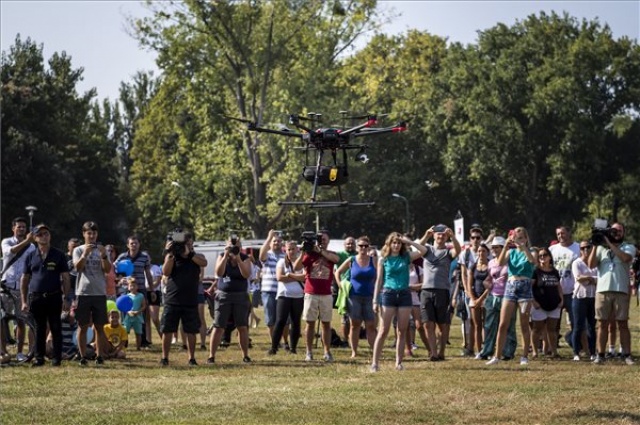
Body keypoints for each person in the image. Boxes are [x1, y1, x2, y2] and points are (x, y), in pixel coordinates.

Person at [370, 232, 427, 372]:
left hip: (404, 295)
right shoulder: (383, 259)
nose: (396, 245)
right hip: (388, 294)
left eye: (398, 243)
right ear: (389, 244)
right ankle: (375, 363)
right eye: (394, 242)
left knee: (402, 330)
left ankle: (399, 362)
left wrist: (409, 241)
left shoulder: (406, 257)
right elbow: (379, 280)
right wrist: (375, 300)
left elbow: (423, 251)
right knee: (383, 330)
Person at [19, 224, 71, 366]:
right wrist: (24, 301)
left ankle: (56, 358)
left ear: (50, 236)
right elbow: (24, 279)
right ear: (35, 238)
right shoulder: (30, 256)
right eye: (40, 234)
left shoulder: (58, 254)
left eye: (46, 233)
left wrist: (67, 297)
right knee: (39, 329)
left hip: (54, 296)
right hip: (36, 297)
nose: (44, 236)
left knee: (56, 327)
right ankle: (39, 358)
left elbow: (65, 277)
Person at [486, 227, 537, 366]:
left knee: (524, 324)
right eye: (516, 238)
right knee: (503, 324)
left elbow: (533, 261)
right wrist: (506, 246)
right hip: (510, 286)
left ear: (526, 239)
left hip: (525, 287)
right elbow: (499, 263)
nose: (518, 240)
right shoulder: (510, 252)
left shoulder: (531, 251)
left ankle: (524, 356)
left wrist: (524, 247)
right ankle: (496, 356)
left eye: (521, 238)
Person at [587, 222, 636, 365]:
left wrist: (608, 241)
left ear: (624, 233)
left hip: (621, 290)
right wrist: (596, 244)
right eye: (614, 230)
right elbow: (591, 265)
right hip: (602, 290)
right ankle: (600, 354)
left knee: (622, 323)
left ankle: (626, 354)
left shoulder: (628, 247)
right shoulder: (601, 248)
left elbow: (625, 258)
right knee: (602, 324)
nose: (617, 233)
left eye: (620, 230)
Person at [160, 231, 207, 366]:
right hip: (173, 299)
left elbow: (204, 263)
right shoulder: (173, 256)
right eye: (185, 243)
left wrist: (189, 254)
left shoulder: (197, 256)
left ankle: (191, 358)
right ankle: (164, 358)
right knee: (168, 329)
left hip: (190, 300)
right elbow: (165, 272)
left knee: (191, 331)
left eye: (189, 243)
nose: (187, 245)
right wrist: (169, 253)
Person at [293, 230, 340, 363]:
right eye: (319, 239)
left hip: (326, 294)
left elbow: (336, 259)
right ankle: (309, 352)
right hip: (311, 293)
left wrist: (320, 251)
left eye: (324, 239)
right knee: (310, 323)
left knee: (326, 324)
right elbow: (296, 267)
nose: (322, 241)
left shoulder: (331, 254)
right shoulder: (309, 254)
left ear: (328, 241)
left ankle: (327, 351)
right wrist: (303, 250)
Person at [418, 225, 461, 362]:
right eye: (438, 234)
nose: (440, 236)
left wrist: (453, 237)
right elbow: (418, 247)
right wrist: (426, 234)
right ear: (434, 236)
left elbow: (458, 250)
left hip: (442, 291)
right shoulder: (427, 250)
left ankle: (442, 351)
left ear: (446, 237)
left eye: (443, 235)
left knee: (442, 325)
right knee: (427, 324)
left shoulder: (448, 253)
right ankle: (433, 353)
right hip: (426, 291)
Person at [207, 236, 252, 364]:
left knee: (242, 326)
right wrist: (226, 254)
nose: (233, 247)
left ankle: (245, 355)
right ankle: (211, 356)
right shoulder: (222, 256)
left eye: (236, 245)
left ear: (240, 246)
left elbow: (246, 274)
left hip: (240, 296)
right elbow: (219, 273)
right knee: (218, 326)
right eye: (231, 245)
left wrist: (238, 258)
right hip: (223, 296)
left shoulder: (245, 258)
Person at [73, 221, 111, 366]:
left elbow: (107, 270)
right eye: (89, 233)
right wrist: (85, 254)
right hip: (83, 293)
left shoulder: (103, 250)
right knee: (82, 326)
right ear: (84, 234)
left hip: (99, 293)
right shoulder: (78, 250)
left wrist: (104, 256)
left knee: (100, 326)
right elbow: (78, 268)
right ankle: (82, 356)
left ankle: (99, 356)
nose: (92, 235)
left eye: (94, 233)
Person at [334, 236, 377, 358]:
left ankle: (375, 351)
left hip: (369, 296)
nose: (363, 248)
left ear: (369, 247)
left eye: (366, 246)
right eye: (361, 246)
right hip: (354, 296)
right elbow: (337, 272)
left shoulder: (373, 260)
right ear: (357, 247)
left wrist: (376, 289)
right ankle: (354, 351)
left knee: (370, 325)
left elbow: (379, 276)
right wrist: (340, 285)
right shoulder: (351, 260)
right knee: (355, 324)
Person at [1, 217, 36, 362]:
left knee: (21, 320)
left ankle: (21, 351)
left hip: (23, 289)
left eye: (23, 227)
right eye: (19, 227)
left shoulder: (32, 247)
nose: (21, 229)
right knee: (2, 320)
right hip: (6, 286)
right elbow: (11, 252)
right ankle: (3, 351)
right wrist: (27, 241)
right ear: (13, 228)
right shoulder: (6, 241)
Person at [476, 237, 517, 360]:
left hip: (508, 296)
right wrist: (486, 282)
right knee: (489, 325)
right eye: (492, 247)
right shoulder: (491, 262)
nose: (493, 249)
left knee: (508, 325)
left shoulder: (511, 261)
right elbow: (490, 277)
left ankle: (508, 352)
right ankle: (487, 351)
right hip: (493, 296)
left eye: (496, 247)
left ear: (503, 248)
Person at [115, 236, 154, 347]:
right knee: (124, 315)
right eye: (131, 243)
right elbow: (115, 271)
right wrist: (119, 280)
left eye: (136, 243)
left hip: (141, 288)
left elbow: (148, 274)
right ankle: (124, 341)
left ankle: (143, 341)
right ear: (128, 245)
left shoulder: (144, 257)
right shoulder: (122, 257)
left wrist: (151, 289)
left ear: (139, 244)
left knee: (141, 315)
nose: (134, 245)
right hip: (125, 290)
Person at [268, 241, 305, 355]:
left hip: (298, 296)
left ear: (297, 250)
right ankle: (274, 347)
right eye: (289, 249)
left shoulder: (302, 262)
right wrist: (296, 277)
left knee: (295, 322)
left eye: (293, 249)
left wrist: (289, 275)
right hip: (284, 295)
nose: (291, 251)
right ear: (285, 250)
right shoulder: (281, 262)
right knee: (280, 321)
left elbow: (305, 277)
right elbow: (279, 277)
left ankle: (293, 348)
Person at [548, 226, 580, 347]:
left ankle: (576, 344)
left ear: (569, 233)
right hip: (555, 291)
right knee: (553, 323)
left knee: (575, 322)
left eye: (563, 233)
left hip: (573, 291)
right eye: (558, 234)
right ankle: (552, 346)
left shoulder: (577, 248)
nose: (561, 236)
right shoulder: (552, 249)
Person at [530, 247, 563, 358]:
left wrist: (561, 300)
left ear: (550, 257)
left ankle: (554, 352)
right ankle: (535, 351)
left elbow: (558, 287)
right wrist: (533, 301)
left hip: (554, 304)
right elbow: (530, 288)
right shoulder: (536, 271)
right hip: (539, 305)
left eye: (544, 255)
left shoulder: (555, 271)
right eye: (540, 256)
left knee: (552, 329)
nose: (542, 257)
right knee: (537, 329)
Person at [571, 240, 597, 361]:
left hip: (593, 297)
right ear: (580, 250)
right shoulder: (576, 263)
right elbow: (579, 278)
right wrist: (592, 278)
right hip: (579, 298)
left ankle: (593, 352)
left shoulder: (595, 263)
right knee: (578, 326)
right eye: (582, 248)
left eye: (588, 247)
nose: (585, 250)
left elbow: (600, 278)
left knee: (592, 326)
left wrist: (588, 278)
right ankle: (576, 352)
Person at [258, 230, 284, 343]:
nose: (276, 243)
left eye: (278, 241)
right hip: (269, 291)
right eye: (274, 241)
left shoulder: (285, 255)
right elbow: (261, 255)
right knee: (270, 318)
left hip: (283, 291)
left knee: (283, 318)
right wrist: (269, 237)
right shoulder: (267, 255)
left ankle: (285, 341)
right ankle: (274, 341)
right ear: (270, 243)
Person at [466, 243, 491, 356]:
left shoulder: (491, 265)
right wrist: (473, 298)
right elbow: (469, 283)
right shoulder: (473, 266)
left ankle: (487, 348)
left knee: (487, 324)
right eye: (479, 251)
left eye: (483, 251)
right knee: (476, 325)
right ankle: (479, 349)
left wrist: (481, 299)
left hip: (486, 297)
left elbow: (491, 284)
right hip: (474, 298)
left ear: (487, 253)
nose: (481, 253)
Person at [336, 236, 357, 344]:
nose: (350, 245)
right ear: (344, 245)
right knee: (345, 317)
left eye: (352, 243)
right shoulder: (340, 255)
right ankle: (345, 340)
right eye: (348, 243)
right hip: (345, 288)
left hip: (358, 288)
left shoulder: (359, 255)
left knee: (356, 317)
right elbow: (337, 272)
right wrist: (339, 285)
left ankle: (353, 339)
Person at [123, 277, 146, 350]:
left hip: (138, 317)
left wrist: (138, 312)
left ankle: (138, 347)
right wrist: (128, 311)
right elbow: (124, 307)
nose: (132, 287)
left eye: (134, 285)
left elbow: (144, 305)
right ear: (128, 287)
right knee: (125, 332)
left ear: (137, 287)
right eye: (130, 286)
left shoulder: (141, 295)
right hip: (128, 317)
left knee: (138, 333)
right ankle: (123, 346)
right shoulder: (127, 296)